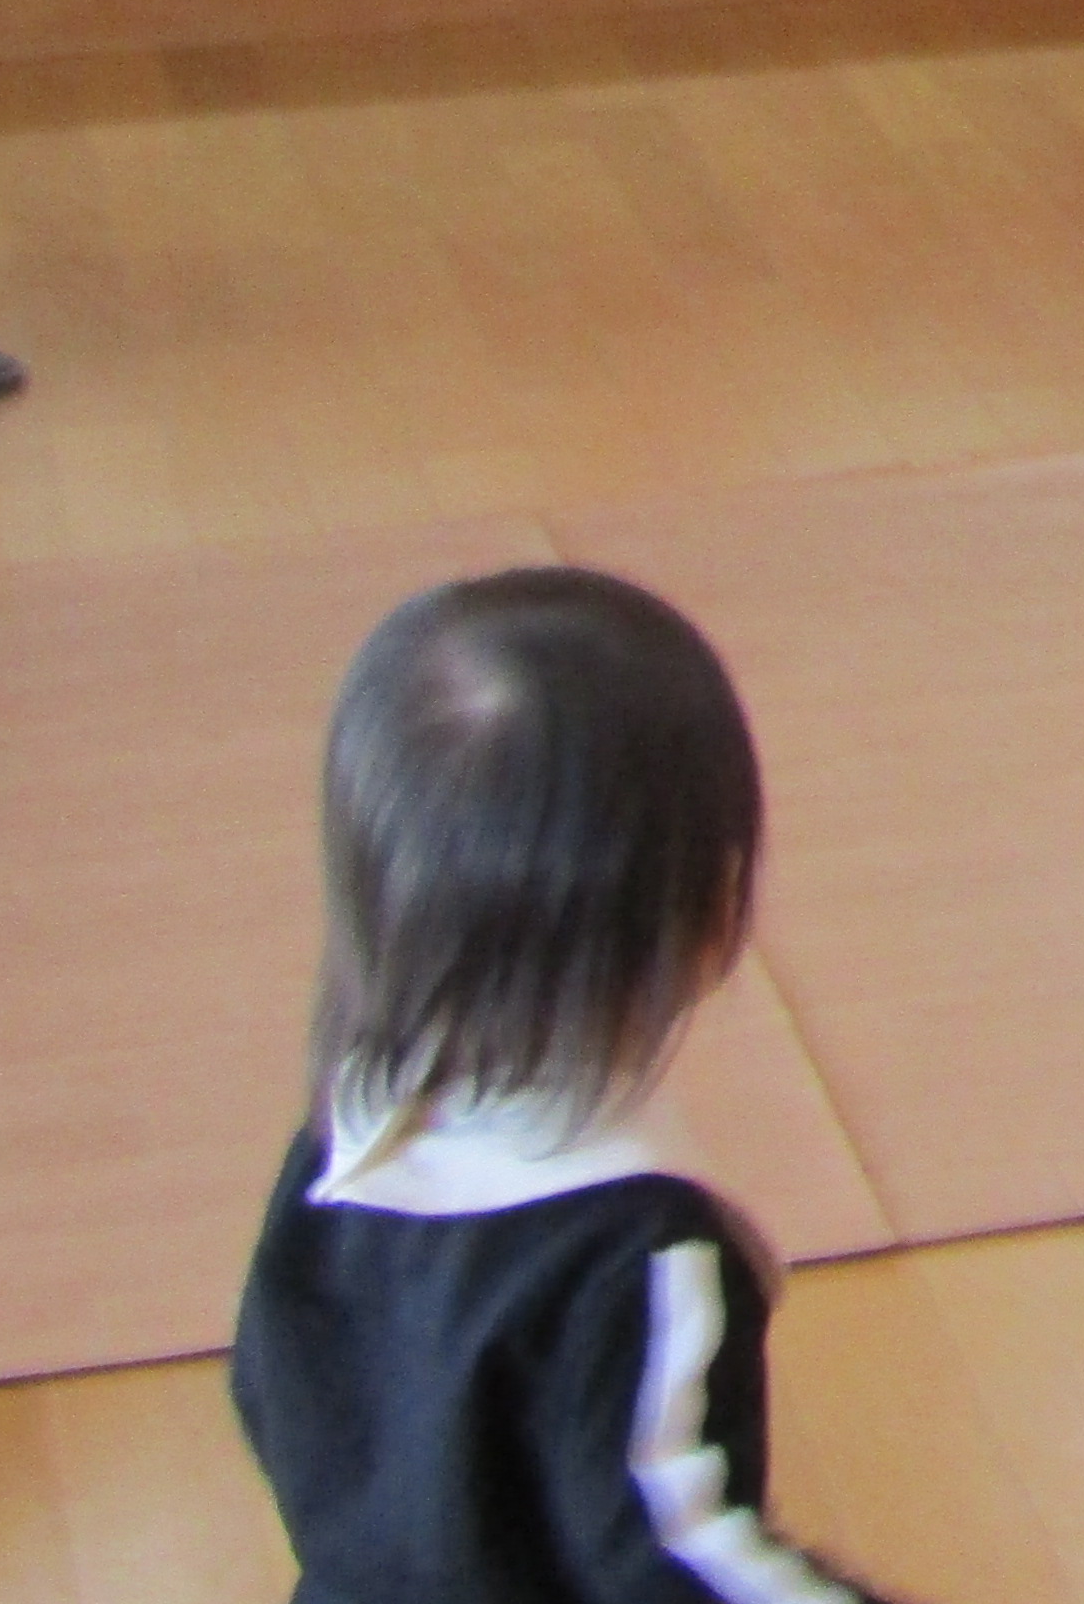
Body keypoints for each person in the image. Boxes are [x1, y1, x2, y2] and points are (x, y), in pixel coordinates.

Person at [233, 567, 899, 1604]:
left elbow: (271, 1388)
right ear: (711, 913)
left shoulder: (337, 1137)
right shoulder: (640, 1249)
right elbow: (680, 1554)